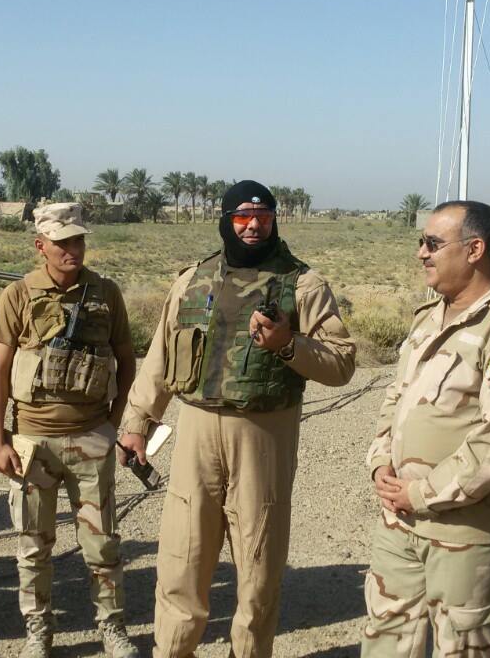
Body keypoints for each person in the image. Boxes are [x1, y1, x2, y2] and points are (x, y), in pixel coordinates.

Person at [118, 180, 356, 658]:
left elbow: (342, 363)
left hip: (263, 437)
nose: (253, 226)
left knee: (258, 572)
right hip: (197, 434)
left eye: (263, 217)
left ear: (274, 221)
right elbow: (161, 357)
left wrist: (288, 345)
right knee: (181, 564)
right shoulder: (193, 280)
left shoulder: (303, 285)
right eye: (243, 217)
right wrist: (137, 424)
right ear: (226, 220)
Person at [362, 200, 490, 657]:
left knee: (461, 647)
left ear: (474, 250)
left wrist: (421, 493)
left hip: (465, 532)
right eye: (421, 243)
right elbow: (397, 396)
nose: (421, 253)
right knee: (385, 638)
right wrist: (380, 463)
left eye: (432, 243)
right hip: (400, 519)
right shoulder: (429, 317)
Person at [0, 202, 139, 658]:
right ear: (40, 245)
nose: (72, 249)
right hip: (33, 443)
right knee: (33, 546)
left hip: (91, 439)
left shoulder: (106, 294)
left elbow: (127, 360)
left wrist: (113, 423)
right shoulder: (18, 295)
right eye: (62, 242)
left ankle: (112, 627)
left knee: (102, 544)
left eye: (78, 240)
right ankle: (38, 630)